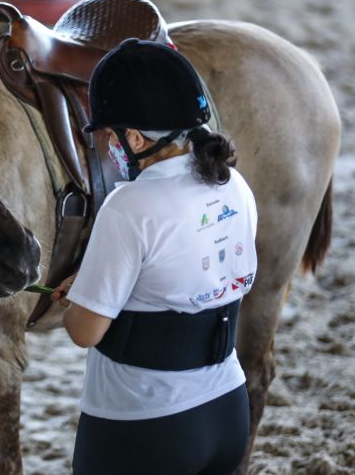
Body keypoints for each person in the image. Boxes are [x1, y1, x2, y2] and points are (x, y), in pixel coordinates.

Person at [52, 39, 257, 474]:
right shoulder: (233, 183)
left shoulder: (129, 205)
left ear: (135, 137)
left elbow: (85, 332)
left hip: (145, 424)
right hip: (227, 408)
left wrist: (78, 300)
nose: (108, 144)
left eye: (110, 134)